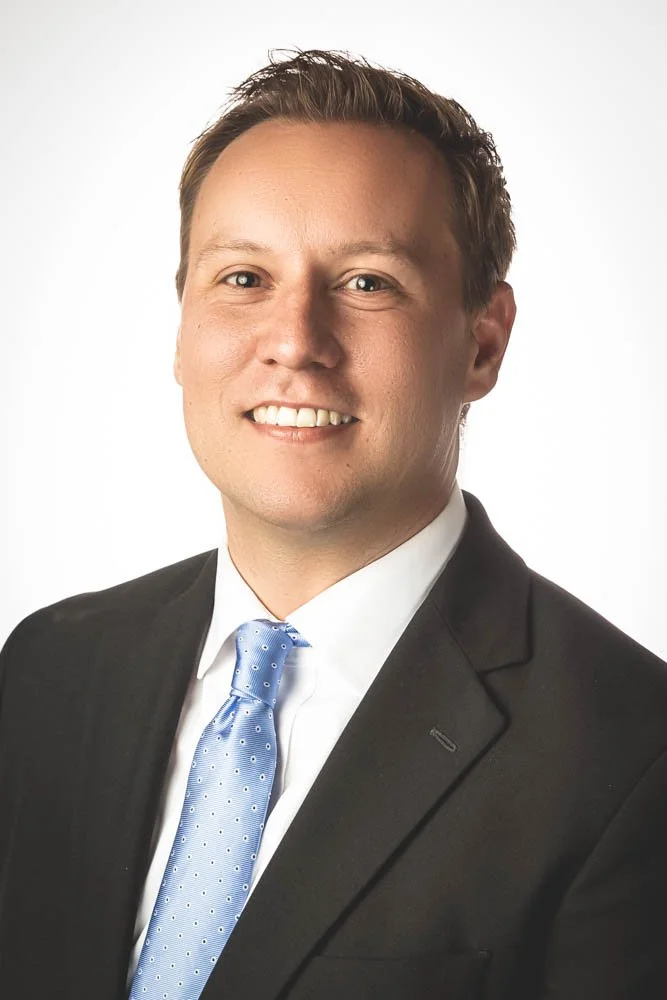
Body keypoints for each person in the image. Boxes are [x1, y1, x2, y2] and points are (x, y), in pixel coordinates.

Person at [1, 47, 666, 1000]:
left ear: (482, 343)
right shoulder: (47, 672)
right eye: (241, 278)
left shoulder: (628, 758)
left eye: (367, 283)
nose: (294, 342)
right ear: (181, 322)